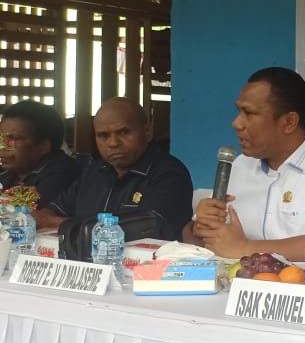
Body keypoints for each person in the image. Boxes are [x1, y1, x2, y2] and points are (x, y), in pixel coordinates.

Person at [183, 67, 305, 261]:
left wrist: (246, 248)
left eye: (249, 113)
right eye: (239, 111)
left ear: (289, 122)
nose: (236, 123)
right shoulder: (240, 165)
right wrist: (200, 226)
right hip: (234, 278)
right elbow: (195, 240)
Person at [36, 98, 193, 240]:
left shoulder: (170, 173)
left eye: (124, 132)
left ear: (147, 132)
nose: (113, 143)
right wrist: (39, 218)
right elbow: (55, 210)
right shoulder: (95, 171)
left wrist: (63, 223)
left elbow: (149, 228)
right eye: (103, 136)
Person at [0, 100, 80, 205]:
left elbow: (19, 210)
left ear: (44, 147)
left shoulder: (62, 174)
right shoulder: (11, 173)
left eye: (14, 138)